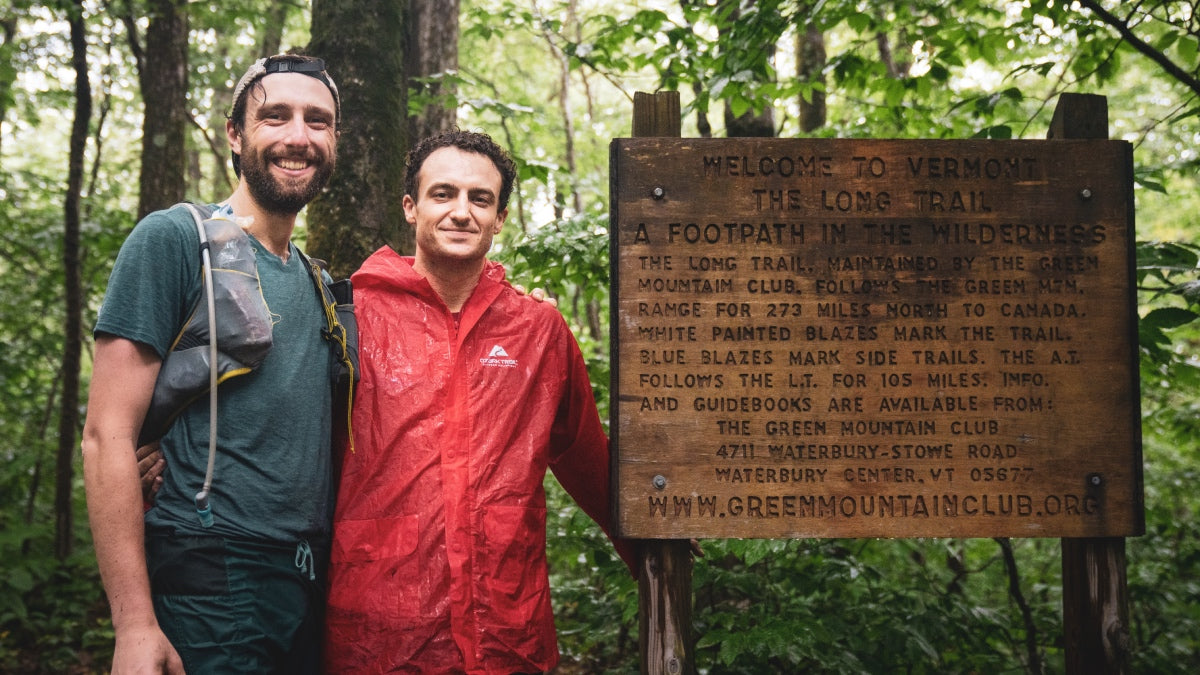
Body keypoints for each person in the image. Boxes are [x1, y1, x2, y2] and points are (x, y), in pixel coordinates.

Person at [322, 129, 636, 673]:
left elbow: (589, 458)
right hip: (379, 632)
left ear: (501, 218)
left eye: (480, 198)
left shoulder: (537, 329)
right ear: (410, 207)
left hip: (507, 628)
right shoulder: (347, 318)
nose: (461, 212)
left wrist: (653, 540)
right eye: (442, 194)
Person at [81, 53, 343, 674]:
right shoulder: (177, 239)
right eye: (275, 116)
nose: (298, 137)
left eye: (318, 121)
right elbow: (104, 436)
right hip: (209, 578)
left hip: (309, 583)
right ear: (235, 134)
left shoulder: (322, 286)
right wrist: (135, 625)